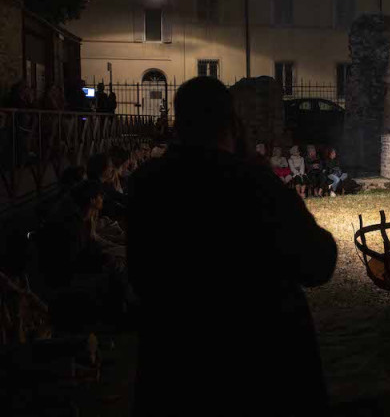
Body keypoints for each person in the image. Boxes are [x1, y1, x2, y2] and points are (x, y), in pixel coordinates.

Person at [126, 77, 337, 416]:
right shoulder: (252, 182)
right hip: (259, 365)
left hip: (173, 369)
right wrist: (265, 178)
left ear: (179, 125)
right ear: (232, 124)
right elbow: (318, 261)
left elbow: (140, 275)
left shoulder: (146, 183)